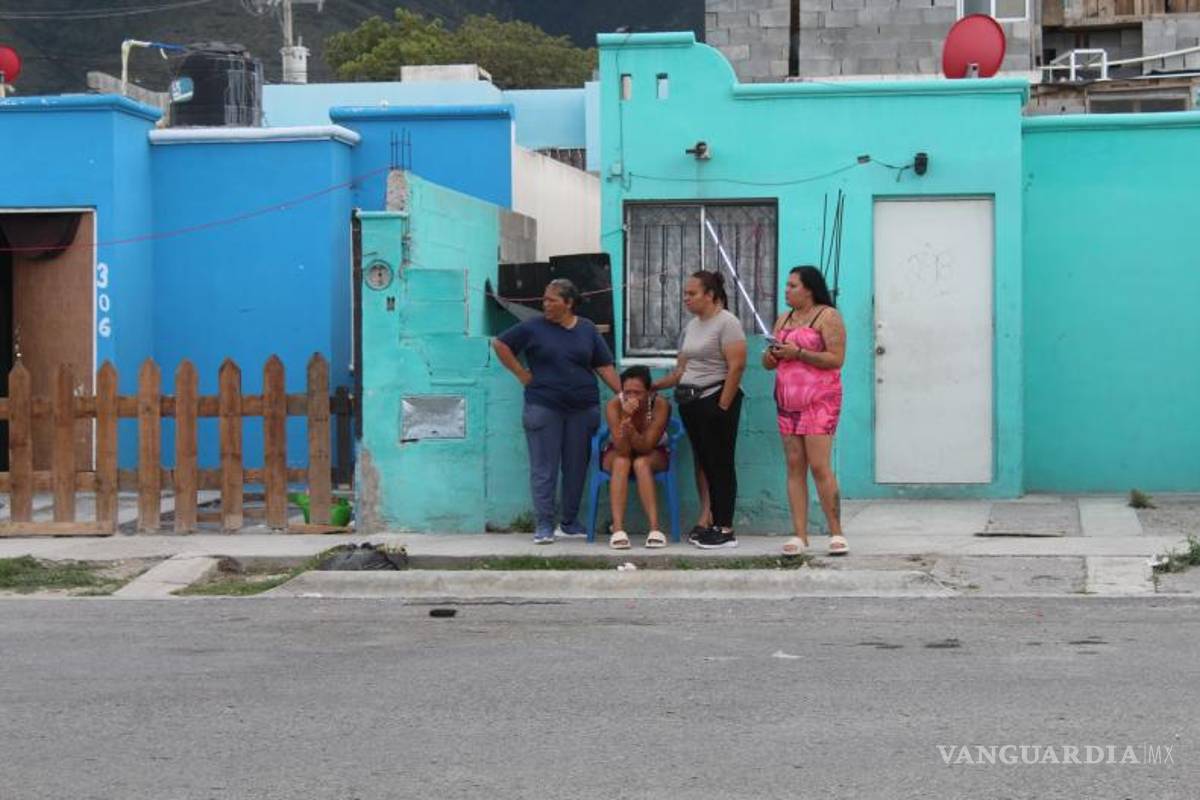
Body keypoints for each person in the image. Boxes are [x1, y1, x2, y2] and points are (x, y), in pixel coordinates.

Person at [493, 278, 621, 544]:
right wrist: (521, 374)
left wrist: (624, 395)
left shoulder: (587, 330)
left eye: (552, 300)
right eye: (545, 300)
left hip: (582, 409)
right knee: (544, 468)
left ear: (569, 303)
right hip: (544, 407)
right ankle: (544, 524)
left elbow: (604, 366)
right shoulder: (532, 327)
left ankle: (570, 522)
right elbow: (500, 344)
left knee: (576, 467)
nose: (545, 305)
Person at [655, 271, 747, 549]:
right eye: (685, 293)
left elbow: (737, 366)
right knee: (705, 464)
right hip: (690, 402)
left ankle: (725, 527)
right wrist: (654, 385)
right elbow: (682, 369)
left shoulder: (727, 323)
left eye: (692, 293)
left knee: (720, 464)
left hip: (715, 399)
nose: (686, 298)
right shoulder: (692, 326)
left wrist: (722, 405)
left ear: (710, 295)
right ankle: (709, 521)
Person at [763, 266, 848, 556]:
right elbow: (768, 363)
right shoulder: (783, 319)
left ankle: (835, 531)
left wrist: (798, 353)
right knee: (794, 465)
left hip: (819, 400)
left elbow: (836, 358)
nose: (786, 290)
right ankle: (800, 534)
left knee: (819, 465)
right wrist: (773, 354)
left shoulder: (827, 316)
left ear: (809, 289)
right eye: (786, 285)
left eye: (793, 286)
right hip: (788, 402)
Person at [602, 366, 672, 549]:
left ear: (649, 392)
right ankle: (618, 529)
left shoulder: (660, 405)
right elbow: (623, 450)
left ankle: (655, 529)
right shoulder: (613, 405)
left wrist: (632, 432)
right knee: (621, 461)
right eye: (627, 392)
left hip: (651, 451)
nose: (632, 397)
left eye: (638, 392)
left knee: (641, 463)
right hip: (619, 451)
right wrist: (626, 416)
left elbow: (646, 447)